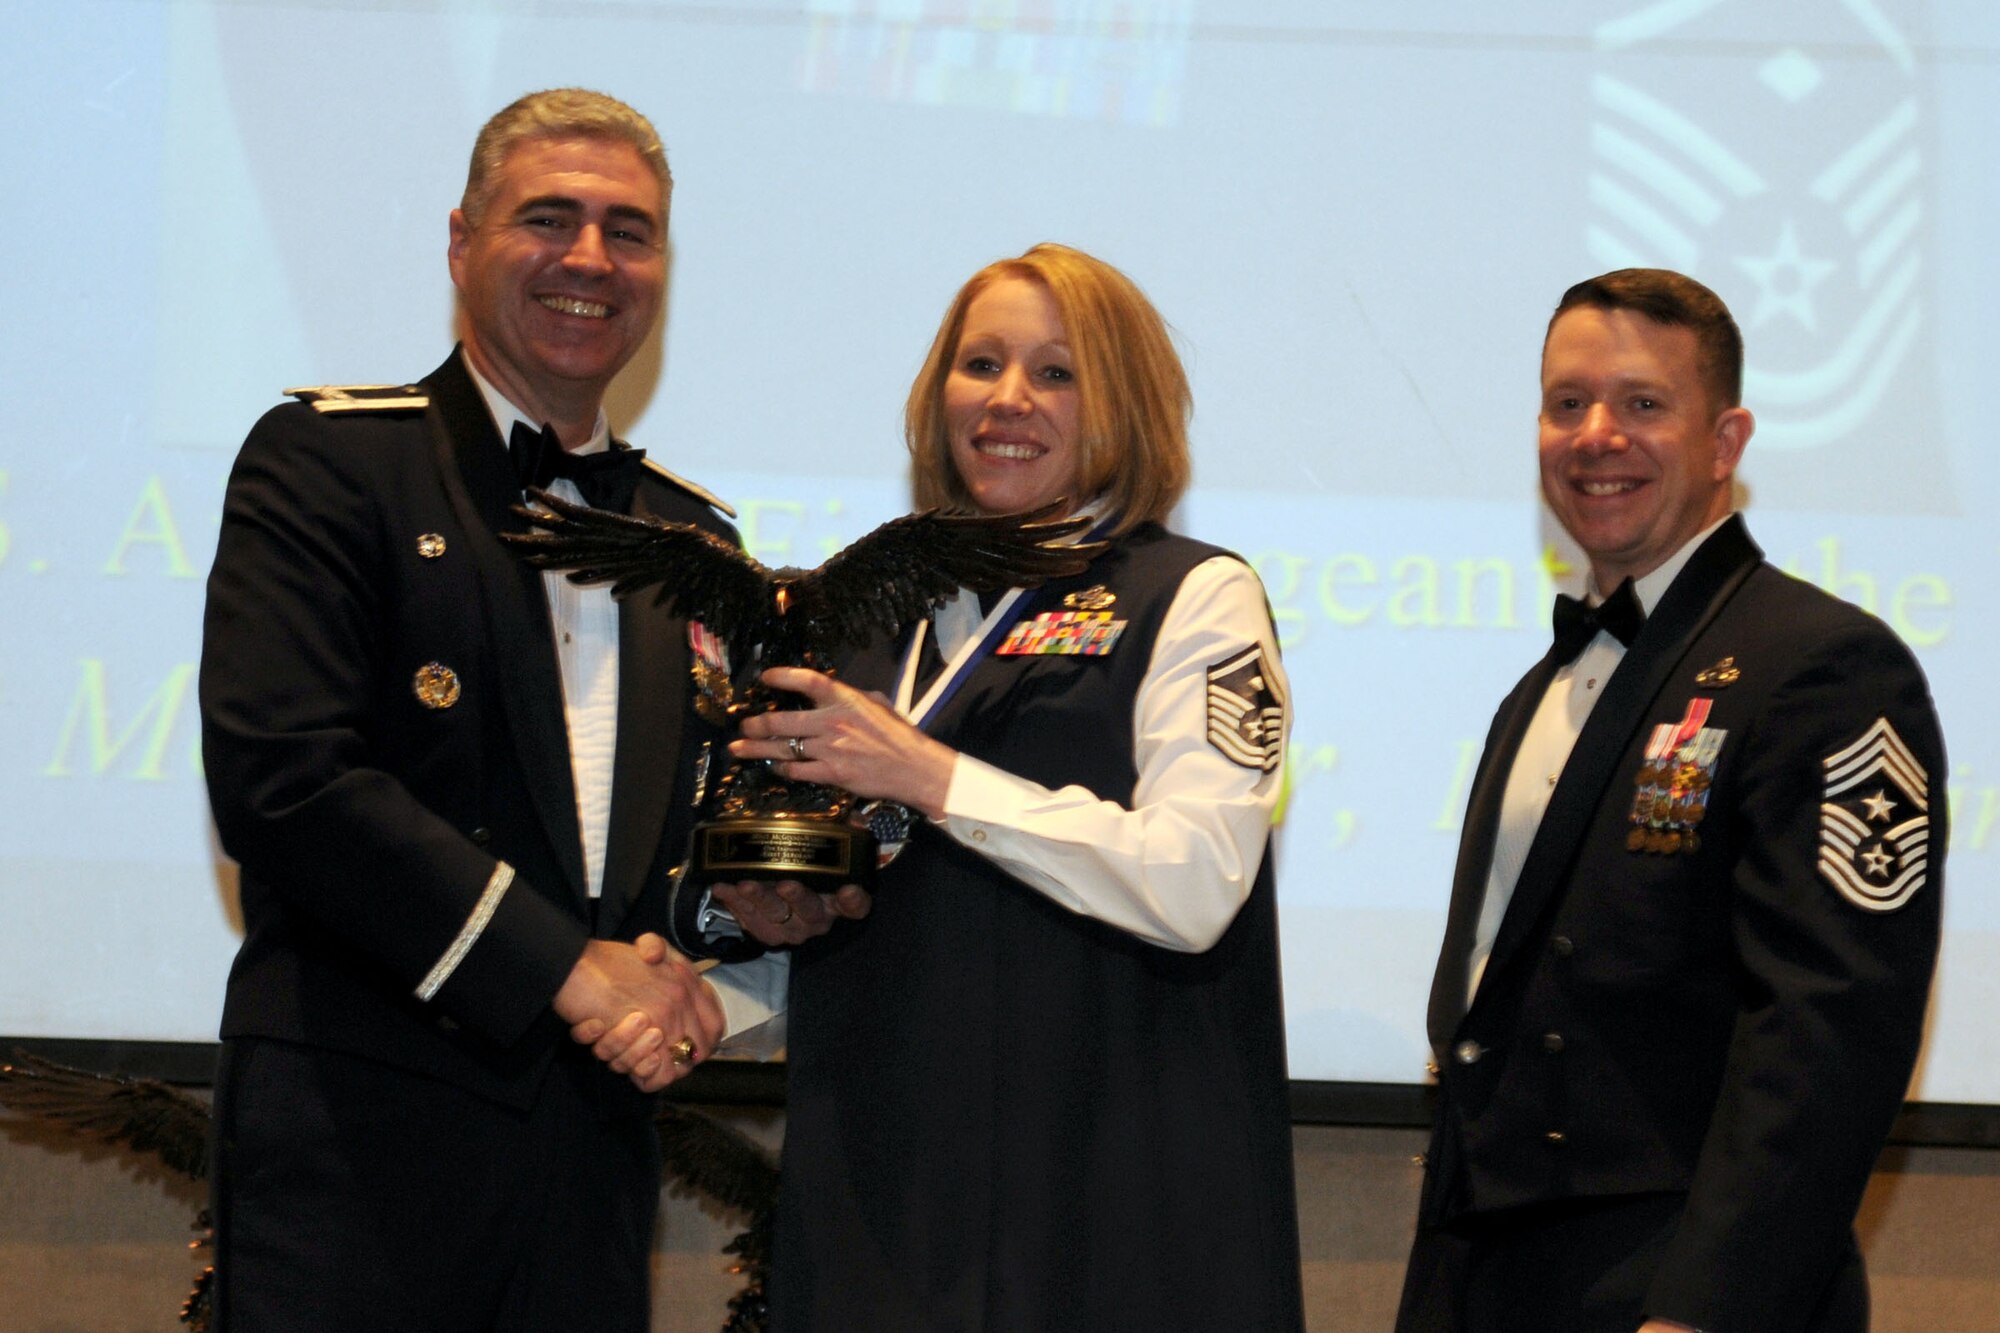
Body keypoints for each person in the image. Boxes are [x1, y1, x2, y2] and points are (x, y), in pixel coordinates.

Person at [198, 88, 789, 1331]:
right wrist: (562, 970)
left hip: (588, 1166)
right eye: (549, 219)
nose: (590, 259)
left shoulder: (693, 541)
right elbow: (285, 782)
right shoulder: (330, 461)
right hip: (362, 1150)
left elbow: (684, 856)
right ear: (461, 240)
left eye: (629, 231)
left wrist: (737, 942)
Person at [707, 242, 1305, 1329]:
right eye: (979, 364)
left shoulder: (1194, 597)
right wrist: (759, 933)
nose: (1008, 400)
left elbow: (1195, 881)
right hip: (879, 1204)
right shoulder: (863, 621)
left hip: (1110, 1205)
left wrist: (931, 777)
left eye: (1056, 372)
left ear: (1121, 400)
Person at [1396, 269, 1945, 1333]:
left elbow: (1828, 1031)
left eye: (1642, 404)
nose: (1596, 434)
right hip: (1492, 1276)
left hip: (1675, 1284)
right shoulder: (1539, 691)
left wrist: (1705, 1311)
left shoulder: (1822, 664)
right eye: (1567, 403)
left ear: (1723, 441)